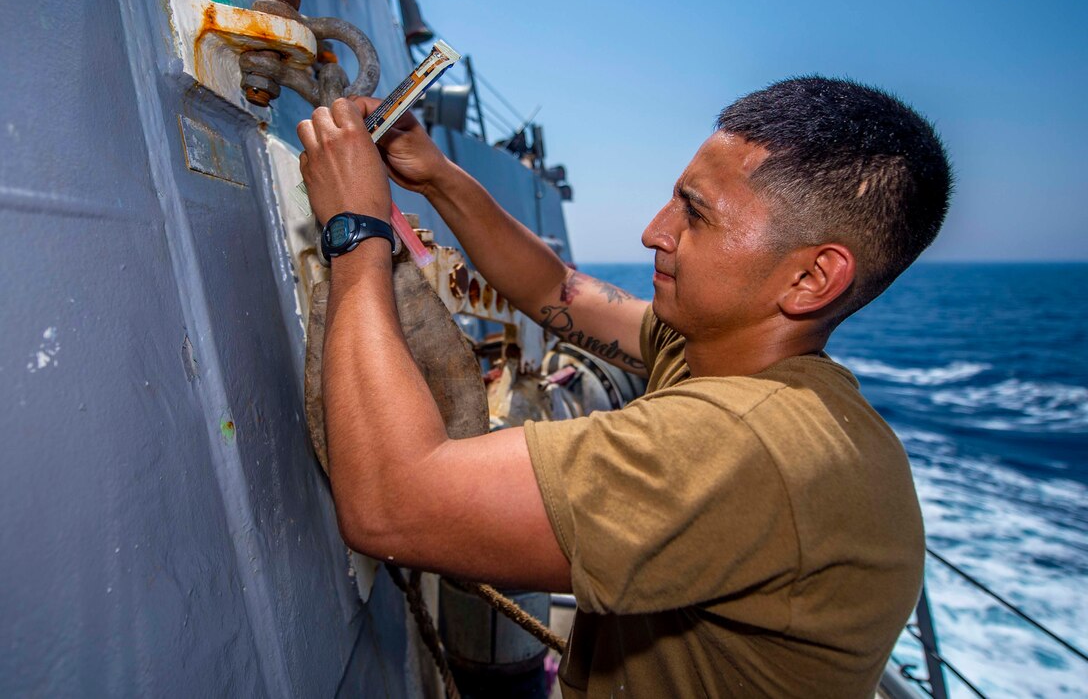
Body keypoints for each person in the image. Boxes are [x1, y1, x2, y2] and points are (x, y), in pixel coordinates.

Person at [296, 76, 952, 697]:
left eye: (695, 215)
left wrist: (359, 232)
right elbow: (559, 290)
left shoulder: (742, 446)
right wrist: (438, 175)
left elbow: (391, 501)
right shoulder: (719, 350)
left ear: (812, 278)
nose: (653, 231)